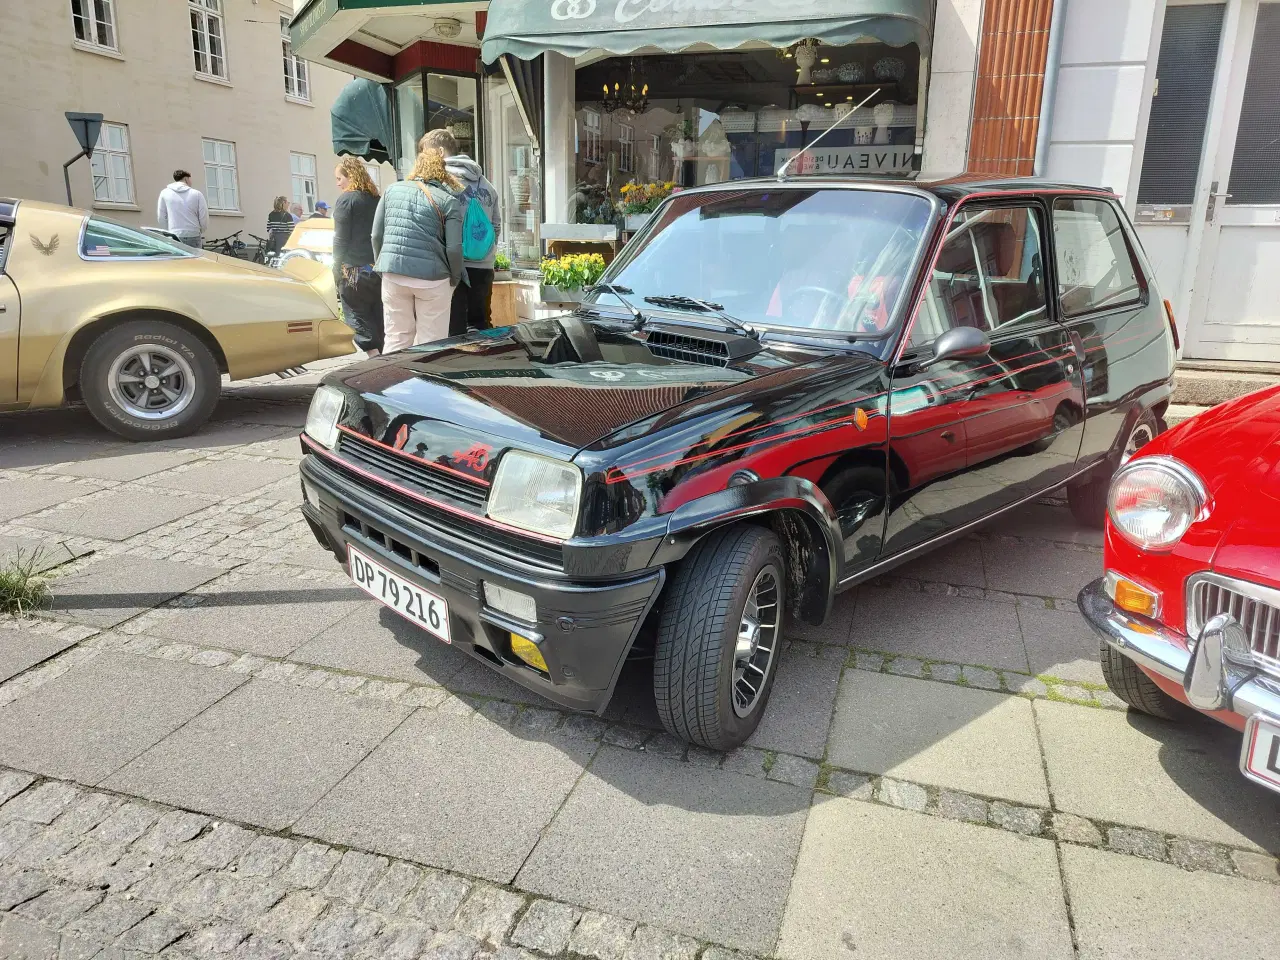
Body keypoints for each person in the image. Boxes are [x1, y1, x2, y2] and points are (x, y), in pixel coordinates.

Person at [372, 146, 463, 352]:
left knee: (396, 337)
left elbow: (376, 235)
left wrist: (382, 264)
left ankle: (393, 381)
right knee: (432, 342)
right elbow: (454, 248)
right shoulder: (448, 201)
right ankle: (426, 382)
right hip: (433, 279)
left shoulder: (391, 190)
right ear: (442, 172)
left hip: (393, 273)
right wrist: (454, 278)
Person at [420, 129, 501, 335]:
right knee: (481, 323)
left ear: (438, 152)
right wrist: (486, 252)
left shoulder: (441, 183)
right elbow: (496, 225)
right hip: (484, 265)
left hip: (453, 265)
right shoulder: (488, 185)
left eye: (424, 152)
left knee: (454, 328)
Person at [332, 157, 384, 357]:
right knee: (377, 313)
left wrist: (335, 268)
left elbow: (340, 239)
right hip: (377, 268)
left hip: (353, 270)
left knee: (356, 315)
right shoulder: (376, 199)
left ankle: (374, 357)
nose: (338, 184)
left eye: (339, 178)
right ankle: (383, 356)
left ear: (350, 176)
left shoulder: (346, 200)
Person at [156, 170, 208, 249]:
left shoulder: (164, 193)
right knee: (195, 260)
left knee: (177, 260)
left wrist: (169, 231)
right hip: (193, 234)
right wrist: (201, 230)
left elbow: (161, 217)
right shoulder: (197, 194)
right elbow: (203, 216)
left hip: (174, 234)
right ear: (186, 179)